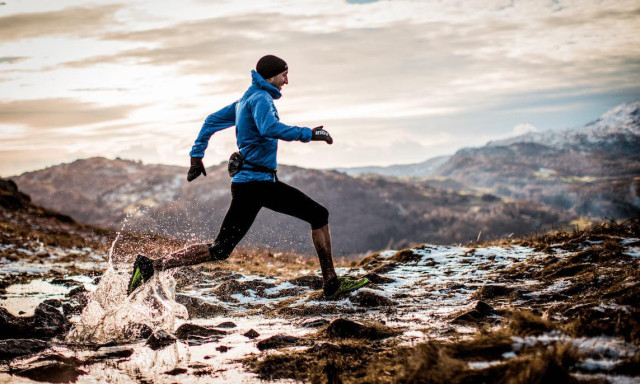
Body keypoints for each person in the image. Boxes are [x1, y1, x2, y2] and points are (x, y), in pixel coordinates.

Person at [127, 55, 369, 298]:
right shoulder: (261, 99)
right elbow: (269, 128)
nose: (287, 80)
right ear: (272, 75)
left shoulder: (246, 99)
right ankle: (331, 282)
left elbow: (211, 121)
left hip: (250, 185)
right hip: (258, 184)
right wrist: (310, 133)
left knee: (220, 249)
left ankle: (151, 266)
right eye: (284, 74)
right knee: (318, 214)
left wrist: (196, 156)